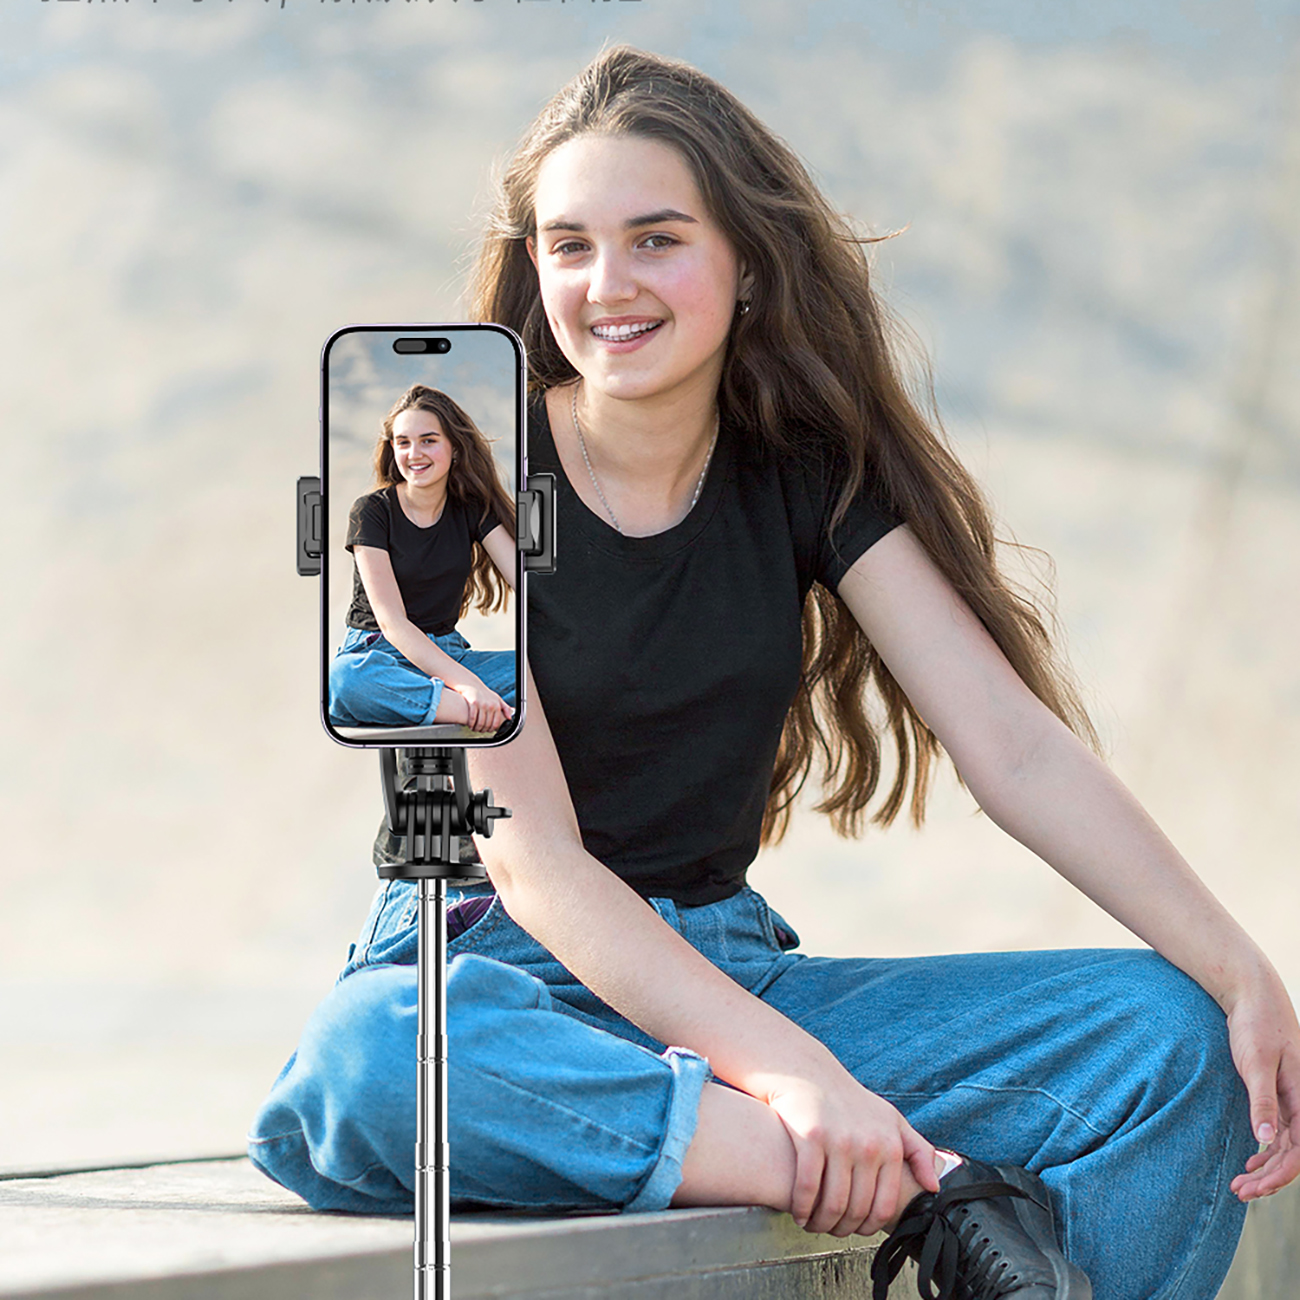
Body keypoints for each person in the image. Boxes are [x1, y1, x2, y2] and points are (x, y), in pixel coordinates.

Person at [250, 49, 1299, 1300]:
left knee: (1169, 1041)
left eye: (656, 239)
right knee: (377, 1055)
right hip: (504, 986)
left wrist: (1240, 971)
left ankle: (872, 1163)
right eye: (569, 244)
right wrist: (800, 1093)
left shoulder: (803, 473)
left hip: (728, 975)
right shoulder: (469, 484)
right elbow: (536, 864)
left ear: (746, 263)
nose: (607, 284)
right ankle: (941, 1195)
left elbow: (1009, 747)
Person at [327, 384, 517, 734]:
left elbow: (527, 583)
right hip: (380, 657)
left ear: (455, 449)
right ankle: (478, 710)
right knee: (346, 679)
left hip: (448, 657)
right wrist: (469, 688)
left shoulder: (472, 510)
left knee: (548, 670)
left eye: (428, 440)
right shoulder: (371, 511)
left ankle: (453, 704)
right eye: (403, 442)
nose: (414, 453)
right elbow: (391, 623)